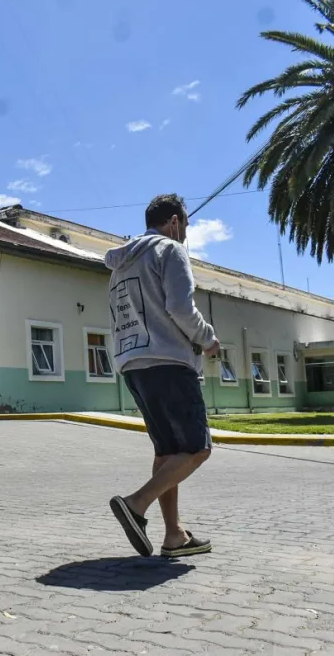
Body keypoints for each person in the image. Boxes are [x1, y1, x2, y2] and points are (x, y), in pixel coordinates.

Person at [104, 193, 220, 558]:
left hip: (133, 364)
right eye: (184, 225)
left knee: (168, 450)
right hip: (168, 362)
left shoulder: (121, 264)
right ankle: (137, 504)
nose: (184, 233)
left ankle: (174, 535)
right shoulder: (170, 251)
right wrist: (207, 339)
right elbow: (180, 307)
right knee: (198, 448)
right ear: (173, 222)